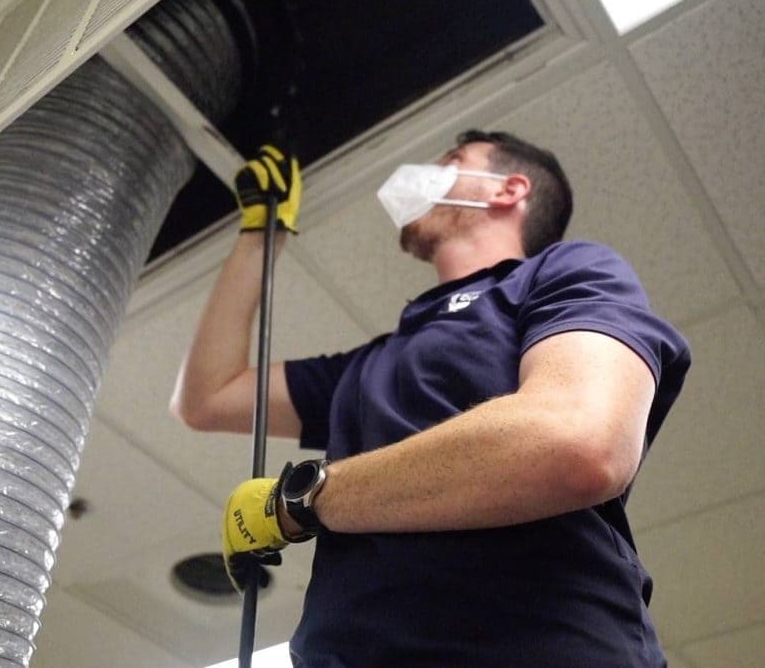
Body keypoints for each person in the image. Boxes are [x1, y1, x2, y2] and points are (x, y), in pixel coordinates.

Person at [172, 133, 691, 667]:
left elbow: (578, 442)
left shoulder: (564, 271)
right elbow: (208, 397)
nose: (423, 175)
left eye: (452, 162)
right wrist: (262, 235)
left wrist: (303, 499)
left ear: (509, 189)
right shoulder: (371, 364)